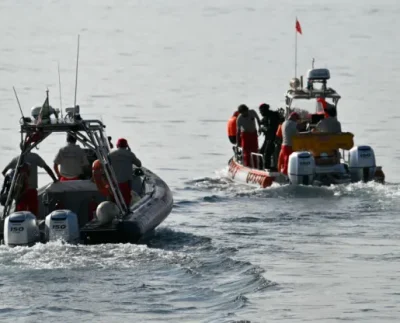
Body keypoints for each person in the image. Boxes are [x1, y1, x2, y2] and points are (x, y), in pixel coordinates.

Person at [2, 146, 58, 216]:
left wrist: (13, 182)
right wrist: (54, 179)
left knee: (20, 214)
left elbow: (4, 172)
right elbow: (46, 167)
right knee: (33, 214)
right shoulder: (35, 157)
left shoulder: (17, 158)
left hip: (19, 193)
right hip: (31, 191)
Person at [108, 138, 142, 207]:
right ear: (126, 146)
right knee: (126, 198)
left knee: (114, 197)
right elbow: (139, 164)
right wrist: (130, 152)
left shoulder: (110, 154)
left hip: (114, 181)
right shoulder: (130, 154)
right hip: (126, 181)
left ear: (117, 145)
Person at [258, 103, 282, 169]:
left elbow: (271, 129)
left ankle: (267, 167)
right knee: (261, 152)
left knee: (267, 153)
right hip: (268, 138)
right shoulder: (266, 116)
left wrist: (263, 128)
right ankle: (260, 167)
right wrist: (261, 126)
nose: (260, 113)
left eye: (261, 111)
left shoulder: (272, 117)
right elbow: (261, 122)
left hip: (273, 138)